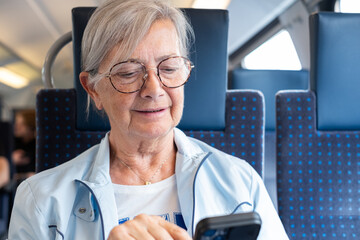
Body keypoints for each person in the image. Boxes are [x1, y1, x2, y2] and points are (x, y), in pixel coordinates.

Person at [8, 0, 289, 239]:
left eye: (168, 68)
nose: (154, 89)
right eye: (128, 73)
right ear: (93, 90)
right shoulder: (39, 200)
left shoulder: (241, 182)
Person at [11, 109, 36, 183]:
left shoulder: (38, 146)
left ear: (31, 127)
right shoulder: (11, 142)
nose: (16, 126)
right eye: (16, 123)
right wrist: (11, 159)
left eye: (22, 124)